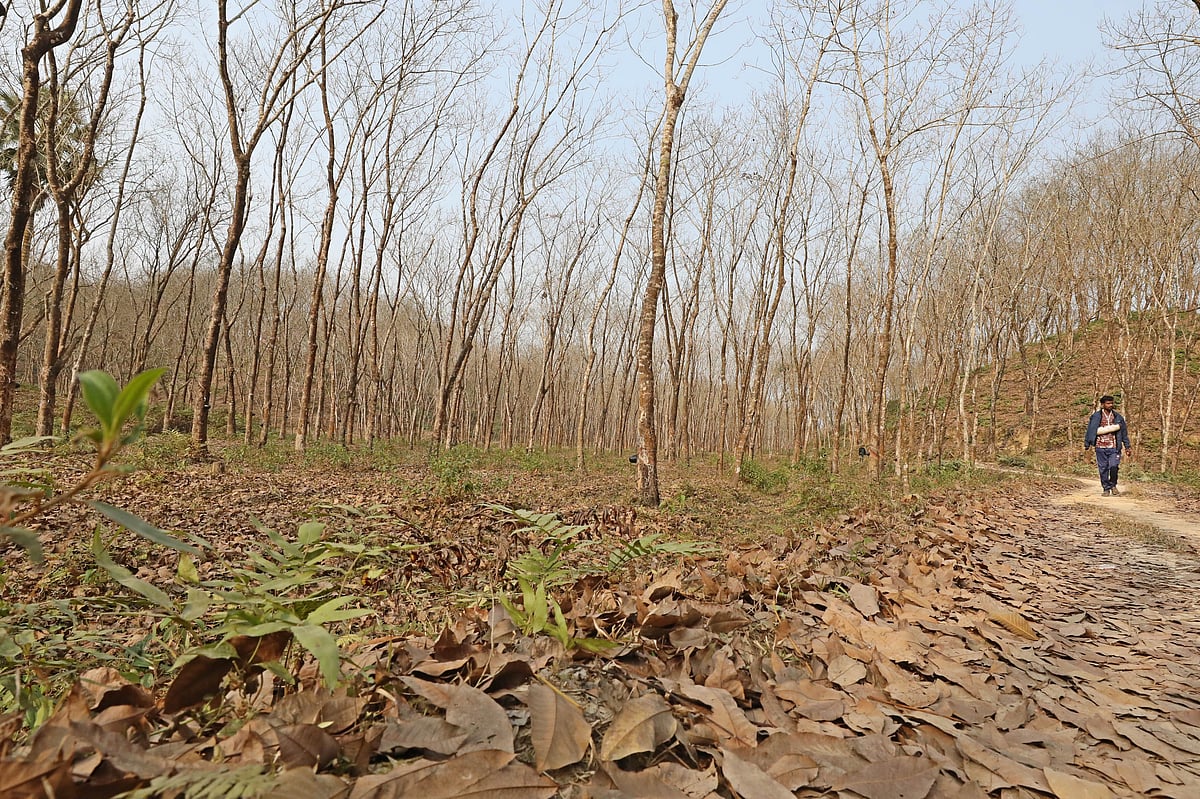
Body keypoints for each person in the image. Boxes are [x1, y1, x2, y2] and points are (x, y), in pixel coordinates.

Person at [1084, 395, 1132, 496]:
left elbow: (1124, 432)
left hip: (1114, 446)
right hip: (1100, 447)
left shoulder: (1118, 417)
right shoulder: (1096, 416)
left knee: (1114, 466)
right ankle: (1106, 488)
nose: (1110, 405)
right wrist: (1087, 444)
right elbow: (1090, 430)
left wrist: (1127, 446)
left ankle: (1113, 485)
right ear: (1102, 405)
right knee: (1103, 468)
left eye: (1111, 403)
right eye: (1108, 403)